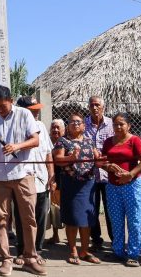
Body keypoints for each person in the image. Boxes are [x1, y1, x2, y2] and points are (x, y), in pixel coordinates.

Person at [0, 86, 46, 276]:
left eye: (2, 105)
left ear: (11, 100)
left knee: (28, 218)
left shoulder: (24, 114)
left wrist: (17, 146)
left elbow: (35, 140)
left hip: (23, 174)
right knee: (1, 219)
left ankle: (30, 258)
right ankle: (6, 259)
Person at [100, 113, 141, 267]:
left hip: (132, 185)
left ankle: (133, 254)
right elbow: (102, 161)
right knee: (116, 221)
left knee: (135, 221)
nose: (118, 127)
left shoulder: (135, 140)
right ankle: (118, 252)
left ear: (129, 126)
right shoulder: (108, 142)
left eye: (121, 124)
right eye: (115, 124)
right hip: (112, 186)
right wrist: (108, 166)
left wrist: (130, 174)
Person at [53, 113, 100, 266]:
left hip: (88, 184)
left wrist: (100, 159)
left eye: (78, 122)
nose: (75, 124)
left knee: (86, 219)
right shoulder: (62, 141)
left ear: (84, 126)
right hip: (71, 184)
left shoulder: (89, 141)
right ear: (68, 126)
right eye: (72, 122)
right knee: (73, 218)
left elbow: (97, 159)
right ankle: (73, 250)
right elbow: (57, 160)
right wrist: (70, 158)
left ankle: (85, 251)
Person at [12, 96, 53, 257]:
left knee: (41, 216)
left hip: (41, 179)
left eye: (37, 110)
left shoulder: (41, 126)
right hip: (22, 179)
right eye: (32, 110)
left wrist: (51, 175)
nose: (36, 113)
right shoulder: (15, 127)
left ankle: (37, 250)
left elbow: (48, 153)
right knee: (22, 216)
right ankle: (22, 251)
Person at [84, 96, 114, 251]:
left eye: (97, 105)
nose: (94, 107)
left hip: (109, 174)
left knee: (111, 210)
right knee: (92, 209)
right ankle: (96, 240)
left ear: (103, 107)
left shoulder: (112, 124)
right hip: (90, 174)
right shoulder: (83, 124)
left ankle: (115, 241)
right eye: (92, 105)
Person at [46, 119, 65, 245]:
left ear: (63, 130)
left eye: (58, 127)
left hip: (64, 179)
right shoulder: (47, 142)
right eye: (53, 127)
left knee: (65, 208)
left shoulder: (66, 142)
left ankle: (70, 237)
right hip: (51, 179)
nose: (55, 130)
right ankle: (55, 235)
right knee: (54, 209)